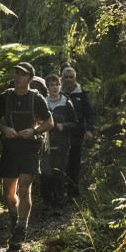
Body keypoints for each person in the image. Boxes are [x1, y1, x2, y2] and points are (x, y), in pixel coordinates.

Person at [0, 62, 54, 249]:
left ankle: (21, 229)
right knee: (8, 195)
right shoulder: (5, 97)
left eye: (23, 75)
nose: (17, 77)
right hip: (10, 148)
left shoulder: (36, 99)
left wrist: (34, 131)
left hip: (30, 148)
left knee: (25, 188)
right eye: (16, 74)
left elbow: (49, 122)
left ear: (30, 79)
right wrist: (4, 128)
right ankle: (14, 217)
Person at [40, 73, 77, 216]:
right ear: (47, 88)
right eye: (51, 85)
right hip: (45, 144)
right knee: (46, 174)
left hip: (62, 143)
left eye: (57, 84)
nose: (55, 87)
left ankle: (59, 203)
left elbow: (74, 123)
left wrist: (64, 126)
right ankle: (46, 201)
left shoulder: (66, 102)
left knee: (58, 173)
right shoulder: (42, 102)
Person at [61, 66, 96, 200]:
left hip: (77, 131)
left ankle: (72, 192)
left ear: (75, 78)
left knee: (74, 160)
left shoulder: (82, 94)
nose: (69, 80)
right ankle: (58, 191)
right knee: (59, 161)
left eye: (71, 77)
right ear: (62, 78)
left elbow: (90, 114)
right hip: (59, 132)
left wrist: (89, 129)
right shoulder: (56, 93)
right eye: (66, 77)